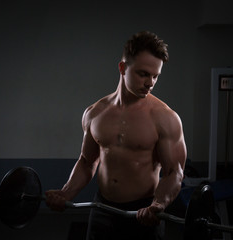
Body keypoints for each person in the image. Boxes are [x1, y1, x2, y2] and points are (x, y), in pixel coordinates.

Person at [45, 31, 187, 240]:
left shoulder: (165, 118)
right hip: (102, 208)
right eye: (143, 74)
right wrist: (66, 193)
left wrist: (159, 204)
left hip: (143, 213)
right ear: (122, 68)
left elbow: (174, 171)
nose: (150, 83)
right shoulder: (95, 112)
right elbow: (86, 162)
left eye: (155, 76)